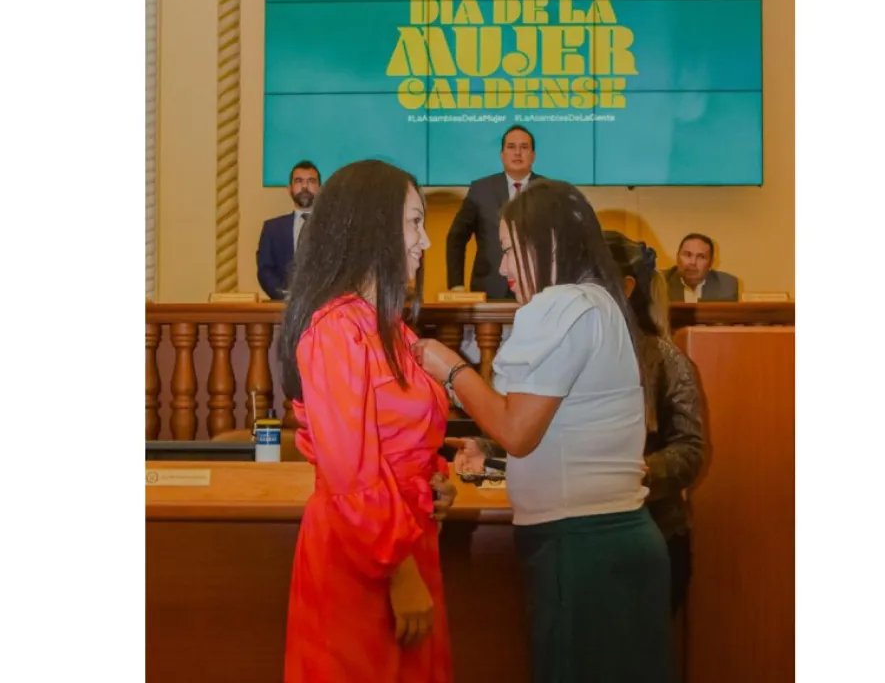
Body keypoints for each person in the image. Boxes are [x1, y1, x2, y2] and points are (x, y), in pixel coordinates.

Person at [414, 180, 677, 683]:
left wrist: (449, 368)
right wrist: (492, 458)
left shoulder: (560, 304)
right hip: (614, 542)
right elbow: (568, 432)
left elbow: (519, 431)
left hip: (580, 548)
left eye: (510, 250)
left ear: (549, 245)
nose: (503, 267)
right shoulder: (597, 303)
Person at [279, 159, 457, 682]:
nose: (425, 242)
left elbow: (403, 436)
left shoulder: (392, 330)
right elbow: (351, 472)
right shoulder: (335, 330)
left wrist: (436, 479)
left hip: (405, 538)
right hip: (365, 556)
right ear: (371, 225)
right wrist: (399, 573)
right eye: (415, 223)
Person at [603, 231, 707, 616]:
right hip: (589, 538)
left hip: (655, 535)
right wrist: (492, 450)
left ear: (626, 287)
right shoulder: (576, 349)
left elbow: (691, 450)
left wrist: (639, 471)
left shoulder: (665, 358)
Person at [445, 124, 543, 300]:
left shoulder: (548, 191)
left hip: (537, 288)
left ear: (533, 155)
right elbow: (456, 237)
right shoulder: (480, 189)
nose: (517, 153)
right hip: (489, 289)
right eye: (511, 147)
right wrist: (456, 285)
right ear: (502, 155)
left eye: (524, 147)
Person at [256, 160, 321, 300]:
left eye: (311, 181)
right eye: (299, 181)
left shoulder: (333, 227)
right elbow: (265, 270)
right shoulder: (272, 228)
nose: (305, 186)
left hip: (325, 309)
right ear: (289, 188)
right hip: (283, 310)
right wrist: (285, 296)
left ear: (320, 189)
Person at [663, 232, 739, 302]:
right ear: (677, 257)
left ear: (711, 263)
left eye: (701, 257)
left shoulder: (726, 285)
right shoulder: (659, 281)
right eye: (687, 255)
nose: (693, 262)